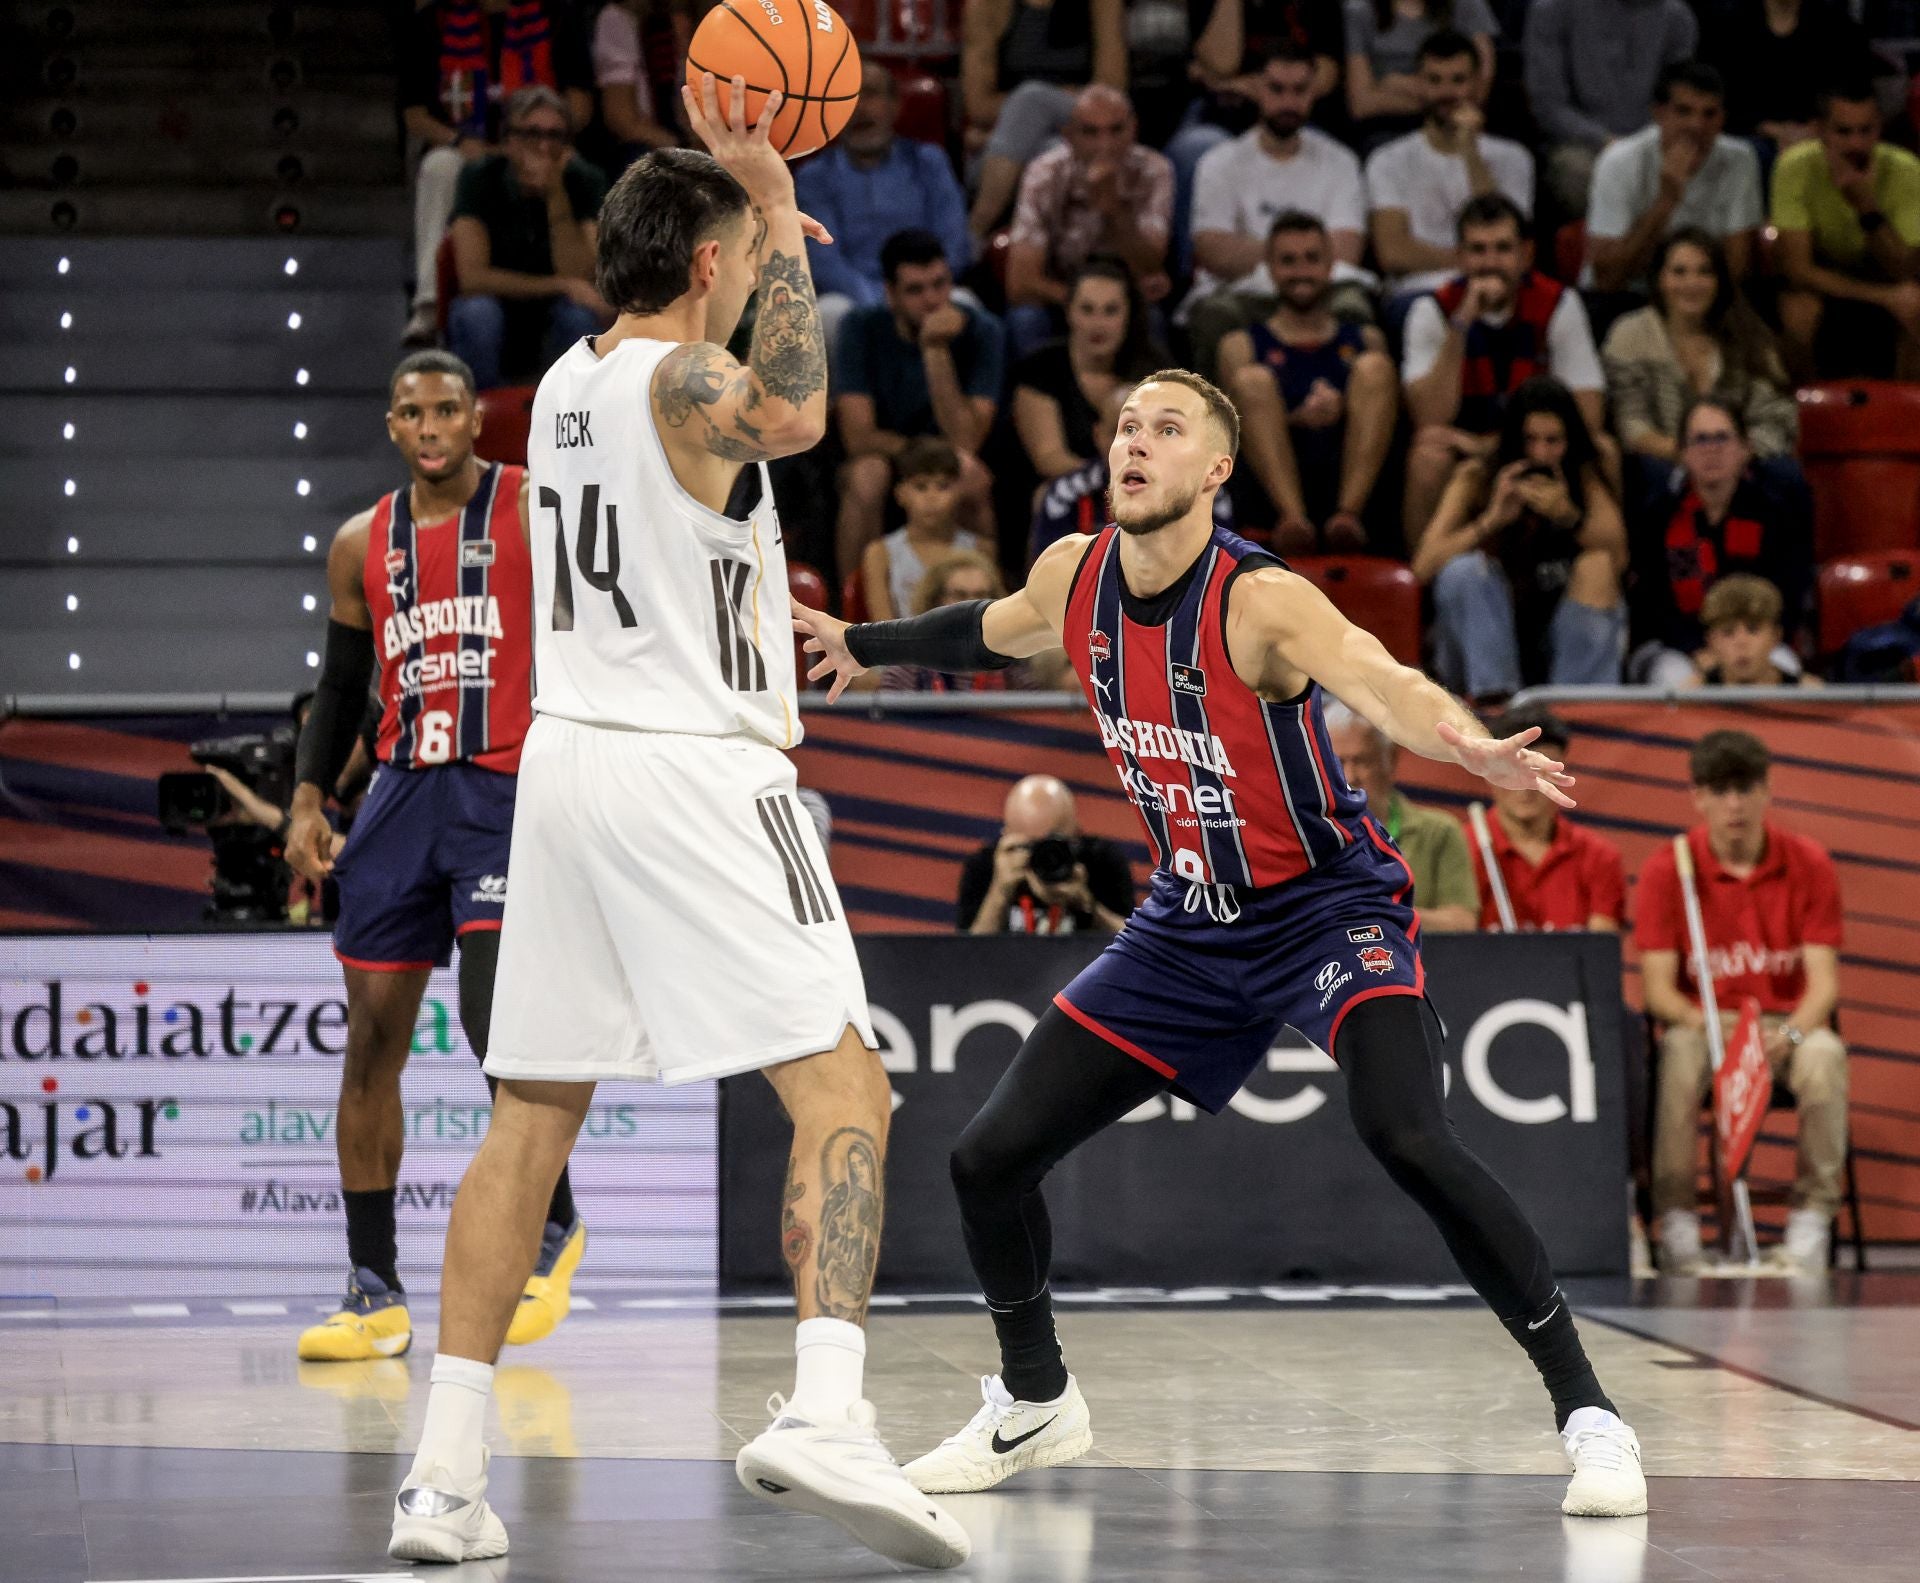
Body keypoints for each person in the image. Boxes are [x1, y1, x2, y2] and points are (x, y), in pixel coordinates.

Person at [795, 369, 1649, 1519]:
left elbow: (1383, 681)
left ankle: (1590, 1411)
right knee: (985, 1159)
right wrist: (864, 636)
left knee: (1404, 1130)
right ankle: (1036, 1399)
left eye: (1167, 427)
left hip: (1323, 908)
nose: (1135, 442)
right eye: (1125, 424)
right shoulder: (1076, 573)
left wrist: (1474, 747)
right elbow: (989, 633)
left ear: (1216, 469)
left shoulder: (1262, 601)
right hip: (1186, 923)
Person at [384, 81, 971, 1571]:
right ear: (705, 264)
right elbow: (787, 410)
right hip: (693, 774)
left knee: (531, 1112)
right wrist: (779, 214)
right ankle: (827, 1410)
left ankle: (443, 1476)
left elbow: (667, 543)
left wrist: (755, 612)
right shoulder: (675, 380)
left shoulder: (567, 381)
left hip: (567, 762)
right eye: (742, 255)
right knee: (850, 1092)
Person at [283, 350, 584, 1365]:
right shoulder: (360, 541)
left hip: (503, 788)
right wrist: (308, 796)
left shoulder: (535, 505)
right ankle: (373, 1286)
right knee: (372, 1040)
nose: (430, 424)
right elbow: (341, 685)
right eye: (410, 410)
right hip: (403, 793)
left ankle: (555, 1221)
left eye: (447, 407)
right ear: (392, 424)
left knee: (500, 1020)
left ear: (473, 417)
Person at [1635, 729, 1847, 1274]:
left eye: (1746, 788)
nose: (1734, 804)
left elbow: (1823, 984)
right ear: (1698, 797)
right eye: (1720, 790)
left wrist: (1791, 1034)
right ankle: (1678, 1222)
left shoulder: (1808, 863)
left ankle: (1810, 1222)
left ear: (1767, 790)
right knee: (1678, 1057)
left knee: (1825, 1058)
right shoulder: (1669, 868)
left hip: (1784, 1024)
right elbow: (1658, 992)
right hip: (1704, 1021)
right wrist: (1713, 1028)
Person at [1401, 195, 1606, 550]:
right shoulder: (1432, 310)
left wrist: (1488, 446)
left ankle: (1608, 567)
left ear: (1526, 253)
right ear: (1460, 256)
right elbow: (1431, 417)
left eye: (1502, 249)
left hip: (1536, 446)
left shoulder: (1559, 304)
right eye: (1478, 250)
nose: (1490, 263)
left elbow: (1588, 416)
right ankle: (1423, 581)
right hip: (1465, 456)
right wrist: (1461, 324)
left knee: (1605, 449)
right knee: (1427, 454)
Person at [1414, 377, 1628, 700]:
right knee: (1466, 570)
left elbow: (1619, 557)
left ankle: (1578, 713)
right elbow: (1423, 566)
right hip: (1481, 651)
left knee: (1597, 566)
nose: (1540, 454)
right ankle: (1496, 707)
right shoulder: (1477, 477)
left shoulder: (1584, 475)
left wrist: (1569, 516)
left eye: (1552, 440)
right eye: (1530, 440)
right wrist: (1491, 521)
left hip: (1559, 639)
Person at [398, 0, 596, 345]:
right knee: (439, 166)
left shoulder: (559, 13)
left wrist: (547, 140)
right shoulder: (433, 20)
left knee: (575, 168)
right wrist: (461, 141)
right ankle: (428, 306)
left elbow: (579, 102)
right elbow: (414, 116)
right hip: (465, 147)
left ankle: (588, 283)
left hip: (539, 143)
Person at [1184, 44, 1370, 378]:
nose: (1288, 101)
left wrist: (1259, 251)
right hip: (1241, 293)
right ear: (1255, 88)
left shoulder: (1341, 162)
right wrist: (1306, 257)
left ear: (1313, 92)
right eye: (1277, 89)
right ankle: (1215, 426)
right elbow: (1212, 249)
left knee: (1352, 308)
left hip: (1323, 291)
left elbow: (1347, 252)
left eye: (1299, 90)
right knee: (1214, 315)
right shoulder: (1219, 163)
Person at [1217, 211, 1398, 551]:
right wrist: (1297, 419)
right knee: (1251, 381)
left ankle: (1348, 517)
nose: (1301, 271)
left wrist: (1344, 410)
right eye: (1288, 260)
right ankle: (1293, 520)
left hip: (1349, 478)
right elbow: (1231, 435)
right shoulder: (1239, 345)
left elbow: (1385, 421)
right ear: (1270, 268)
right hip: (1269, 494)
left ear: (1331, 265)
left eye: (1311, 259)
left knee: (1375, 367)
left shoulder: (1366, 339)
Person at [834, 228, 1004, 587]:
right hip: (890, 458)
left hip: (949, 458)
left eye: (939, 284)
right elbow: (858, 437)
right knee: (867, 475)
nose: (932, 300)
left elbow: (966, 440)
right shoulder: (860, 327)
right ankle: (851, 608)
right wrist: (923, 455)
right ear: (891, 294)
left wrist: (934, 350)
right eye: (915, 290)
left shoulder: (982, 330)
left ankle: (984, 609)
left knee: (971, 476)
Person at [1628, 397, 1814, 688]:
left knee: (1782, 672)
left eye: (1721, 438)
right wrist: (1698, 649)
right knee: (1676, 682)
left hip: (1758, 640)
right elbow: (1653, 604)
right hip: (1678, 647)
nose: (1711, 449)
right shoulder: (1659, 516)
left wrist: (1749, 644)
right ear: (1683, 452)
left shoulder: (1775, 513)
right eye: (1700, 439)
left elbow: (1790, 594)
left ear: (1745, 448)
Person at [794, 64, 973, 354]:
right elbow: (823, 259)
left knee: (965, 305)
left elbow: (953, 243)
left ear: (895, 106)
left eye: (871, 94)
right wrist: (884, 301)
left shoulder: (929, 161)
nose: (859, 108)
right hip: (854, 297)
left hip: (927, 287)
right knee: (828, 314)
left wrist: (919, 292)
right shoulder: (814, 176)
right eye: (847, 97)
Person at [446, 86, 612, 390]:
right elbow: (472, 278)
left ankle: (569, 424)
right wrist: (561, 285)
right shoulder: (480, 177)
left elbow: (583, 275)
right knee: (478, 314)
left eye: (555, 136)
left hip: (553, 313)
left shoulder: (584, 180)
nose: (543, 147)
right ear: (509, 141)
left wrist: (555, 194)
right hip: (496, 306)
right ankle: (483, 427)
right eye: (532, 134)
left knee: (579, 318)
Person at [1601, 228, 1798, 466]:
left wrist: (1731, 457)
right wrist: (1697, 457)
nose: (1692, 283)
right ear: (1660, 279)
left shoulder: (1748, 335)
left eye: (1704, 272)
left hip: (1740, 465)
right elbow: (1632, 427)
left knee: (1782, 471)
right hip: (1661, 464)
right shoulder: (1630, 336)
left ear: (1719, 281)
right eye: (1679, 272)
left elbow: (1775, 419)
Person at [1004, 86, 1175, 358]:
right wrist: (1084, 306)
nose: (1104, 145)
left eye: (1116, 130)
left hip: (1124, 300)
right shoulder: (1044, 174)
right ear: (1069, 136)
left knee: (1152, 318)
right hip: (1059, 296)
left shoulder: (1154, 170)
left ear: (1134, 129)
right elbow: (1020, 283)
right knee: (1026, 319)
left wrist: (1115, 213)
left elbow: (1150, 265)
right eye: (1090, 132)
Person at [1363, 28, 1534, 298]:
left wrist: (1470, 152)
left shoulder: (1514, 158)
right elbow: (1394, 253)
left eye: (1458, 80)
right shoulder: (1387, 160)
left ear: (1478, 83)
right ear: (1419, 83)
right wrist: (1476, 263)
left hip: (1500, 291)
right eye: (1435, 80)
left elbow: (1503, 239)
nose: (1447, 92)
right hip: (1420, 292)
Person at [1772, 77, 1920, 381]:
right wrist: (1882, 297)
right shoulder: (1794, 166)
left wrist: (1866, 208)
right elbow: (1798, 270)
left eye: (1866, 131)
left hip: (1882, 272)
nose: (1856, 144)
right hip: (1824, 277)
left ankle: (1907, 417)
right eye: (1843, 131)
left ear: (1880, 126)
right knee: (1798, 311)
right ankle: (1804, 415)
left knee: (1915, 305)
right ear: (1819, 130)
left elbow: (1904, 268)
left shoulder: (1906, 169)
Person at [1583, 61, 1763, 296]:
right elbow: (1607, 280)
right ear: (1659, 113)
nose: (1696, 125)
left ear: (1722, 119)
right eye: (1683, 111)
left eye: (1709, 114)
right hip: (1629, 296)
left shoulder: (1740, 159)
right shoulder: (1619, 161)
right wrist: (1665, 202)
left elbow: (1738, 270)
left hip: (1706, 300)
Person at [962, 0, 1130, 243]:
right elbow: (978, 105)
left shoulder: (1102, 4)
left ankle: (975, 231)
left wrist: (1045, 106)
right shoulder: (987, 5)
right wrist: (1036, 117)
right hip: (1004, 155)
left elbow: (1111, 94)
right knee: (1051, 151)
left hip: (1087, 137)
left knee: (1032, 98)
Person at [1522, 0, 1698, 221]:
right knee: (1577, 172)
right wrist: (1608, 142)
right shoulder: (1552, 9)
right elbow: (1548, 106)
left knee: (1706, 164)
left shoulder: (1676, 15)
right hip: (1581, 145)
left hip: (1656, 141)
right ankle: (1599, 252)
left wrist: (1652, 143)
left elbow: (1680, 101)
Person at [1031, 384, 1237, 561]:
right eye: (1126, 429)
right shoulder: (1066, 493)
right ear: (1098, 435)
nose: (1136, 444)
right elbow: (1048, 577)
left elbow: (1221, 566)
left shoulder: (1207, 490)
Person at [1323, 700, 1480, 932]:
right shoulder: (1303, 833)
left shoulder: (1438, 830)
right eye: (1337, 763)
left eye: (1362, 761)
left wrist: (1380, 912)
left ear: (1391, 761)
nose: (1349, 776)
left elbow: (1462, 923)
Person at [1465, 705, 1624, 932]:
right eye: (1512, 769)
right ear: (1489, 773)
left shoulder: (1599, 858)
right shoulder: (1461, 852)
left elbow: (1596, 958)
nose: (1525, 786)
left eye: (1540, 771)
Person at [1012, 257, 1163, 486]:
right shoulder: (1040, 367)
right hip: (1068, 496)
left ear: (1128, 315)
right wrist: (1115, 478)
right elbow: (1049, 459)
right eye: (1087, 309)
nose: (1098, 323)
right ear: (1069, 312)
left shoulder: (1154, 370)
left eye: (1111, 311)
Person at [957, 774, 1135, 934]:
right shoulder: (986, 865)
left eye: (1054, 844)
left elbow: (1137, 947)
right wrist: (999, 893)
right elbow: (964, 960)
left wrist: (1087, 905)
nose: (1043, 855)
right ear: (1006, 836)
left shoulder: (1101, 860)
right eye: (1028, 846)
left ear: (1076, 834)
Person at [1701, 0, 1874, 161]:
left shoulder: (1841, 28)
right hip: (1749, 135)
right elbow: (1718, 99)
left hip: (1821, 135)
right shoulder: (1726, 27)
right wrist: (1773, 130)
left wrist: (1815, 129)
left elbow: (1856, 94)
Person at [1344, 1, 1498, 151]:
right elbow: (1361, 104)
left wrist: (1394, 84)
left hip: (1458, 124)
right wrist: (1445, 97)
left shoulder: (1468, 5)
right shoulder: (1359, 10)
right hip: (1388, 128)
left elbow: (1478, 91)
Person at [861, 438, 984, 622]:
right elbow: (881, 624)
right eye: (921, 486)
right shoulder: (879, 554)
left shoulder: (980, 549)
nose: (932, 497)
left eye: (942, 486)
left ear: (958, 492)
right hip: (902, 647)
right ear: (900, 493)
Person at [1680, 573, 1823, 690]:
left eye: (1753, 630)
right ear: (1711, 642)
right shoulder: (1691, 695)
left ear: (1776, 636)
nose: (1741, 642)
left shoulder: (1809, 693)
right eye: (1728, 632)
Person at [591, 0, 687, 164]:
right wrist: (683, 150)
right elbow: (621, 119)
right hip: (649, 147)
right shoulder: (615, 19)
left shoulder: (686, 18)